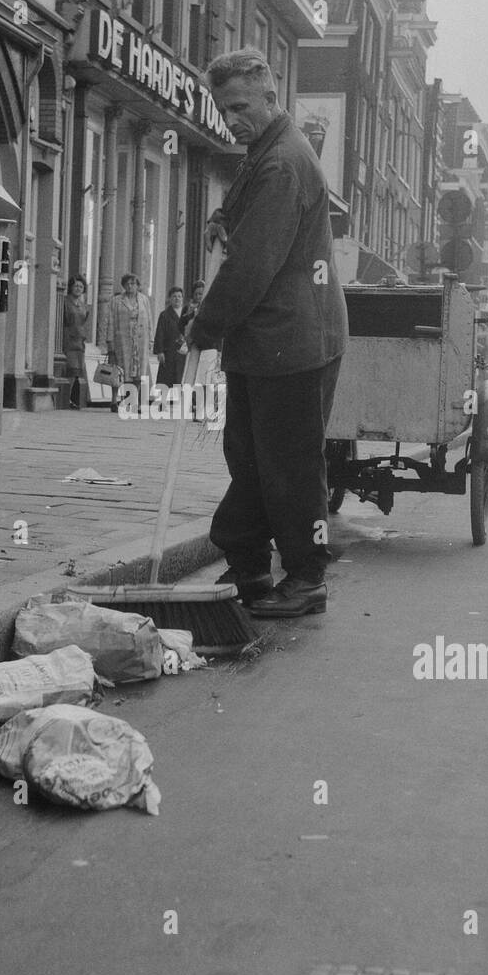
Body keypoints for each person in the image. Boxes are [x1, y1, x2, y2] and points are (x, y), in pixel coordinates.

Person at [183, 48, 348, 619]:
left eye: (239, 106)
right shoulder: (265, 150)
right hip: (268, 342)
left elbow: (252, 265)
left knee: (292, 468)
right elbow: (246, 225)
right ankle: (249, 565)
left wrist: (203, 327)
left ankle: (307, 577)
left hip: (293, 341)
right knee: (250, 458)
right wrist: (223, 218)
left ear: (270, 97)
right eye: (222, 108)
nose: (230, 119)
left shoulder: (280, 163)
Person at [102, 272, 153, 413]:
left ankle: (134, 402)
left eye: (134, 283)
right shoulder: (117, 300)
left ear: (138, 286)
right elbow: (110, 321)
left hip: (140, 342)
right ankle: (114, 400)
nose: (131, 286)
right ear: (124, 286)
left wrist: (151, 340)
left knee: (138, 373)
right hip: (122, 340)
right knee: (119, 371)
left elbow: (149, 321)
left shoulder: (144, 300)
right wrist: (110, 341)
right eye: (128, 284)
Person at [62, 274, 90, 409]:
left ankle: (70, 398)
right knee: (69, 369)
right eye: (76, 286)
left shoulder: (83, 305)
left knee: (76, 371)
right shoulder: (65, 301)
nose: (78, 289)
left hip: (80, 340)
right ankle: (65, 398)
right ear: (71, 287)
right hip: (68, 338)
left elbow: (84, 321)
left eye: (81, 286)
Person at [153, 286, 188, 388]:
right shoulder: (164, 315)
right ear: (170, 299)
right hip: (169, 352)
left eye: (179, 296)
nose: (177, 299)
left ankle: (180, 401)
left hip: (184, 351)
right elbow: (160, 333)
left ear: (182, 298)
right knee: (167, 379)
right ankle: (165, 401)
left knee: (182, 378)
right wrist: (160, 351)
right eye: (174, 296)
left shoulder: (187, 313)